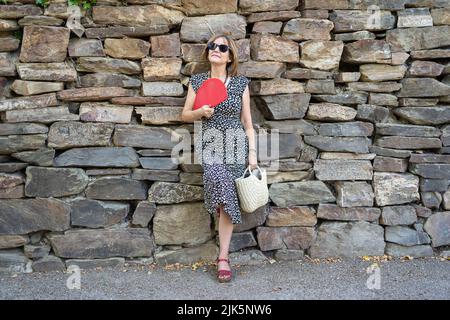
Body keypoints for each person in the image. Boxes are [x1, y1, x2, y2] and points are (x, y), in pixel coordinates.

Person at [181, 34, 257, 283]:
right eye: (212, 46)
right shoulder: (199, 80)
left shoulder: (240, 83)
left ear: (230, 55)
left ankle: (223, 257)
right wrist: (200, 112)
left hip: (236, 146)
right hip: (210, 143)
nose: (216, 49)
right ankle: (222, 245)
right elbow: (185, 115)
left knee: (225, 200)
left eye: (222, 47)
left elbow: (247, 123)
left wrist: (252, 154)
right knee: (219, 180)